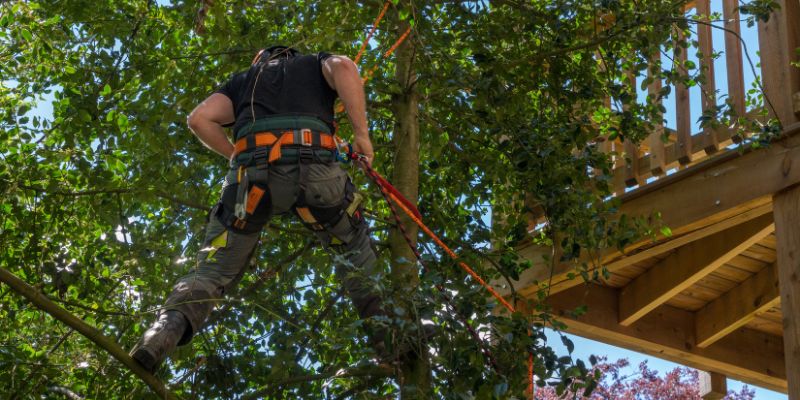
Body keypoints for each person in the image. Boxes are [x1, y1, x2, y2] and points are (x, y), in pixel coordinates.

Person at [129, 46, 391, 373]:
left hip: (249, 183)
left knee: (211, 271)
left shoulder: (243, 82)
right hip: (317, 173)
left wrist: (235, 156)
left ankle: (162, 333)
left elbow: (198, 120)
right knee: (354, 250)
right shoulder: (314, 63)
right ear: (291, 55)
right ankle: (391, 342)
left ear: (260, 61)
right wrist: (362, 138)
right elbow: (345, 68)